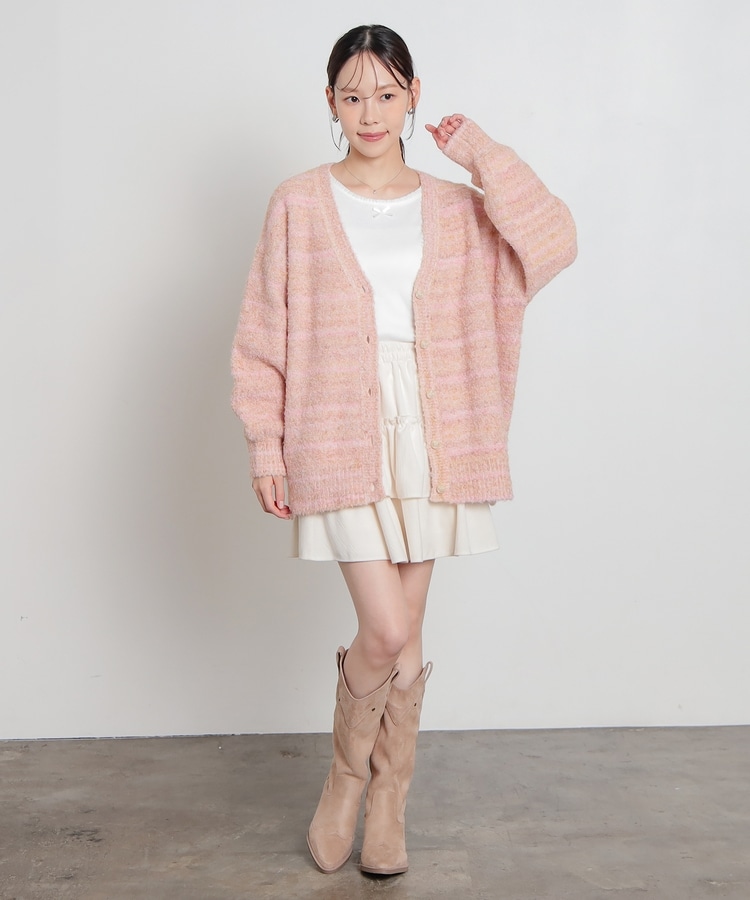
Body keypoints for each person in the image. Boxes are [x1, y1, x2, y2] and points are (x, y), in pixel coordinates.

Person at [231, 23, 577, 877]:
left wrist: (485, 155)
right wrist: (267, 445)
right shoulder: (298, 202)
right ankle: (346, 782)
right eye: (353, 96)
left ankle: (390, 802)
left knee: (408, 626)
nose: (370, 113)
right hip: (333, 425)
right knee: (383, 628)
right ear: (330, 102)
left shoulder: (458, 207)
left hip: (435, 424)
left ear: (414, 95)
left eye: (387, 94)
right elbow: (263, 331)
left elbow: (554, 242)